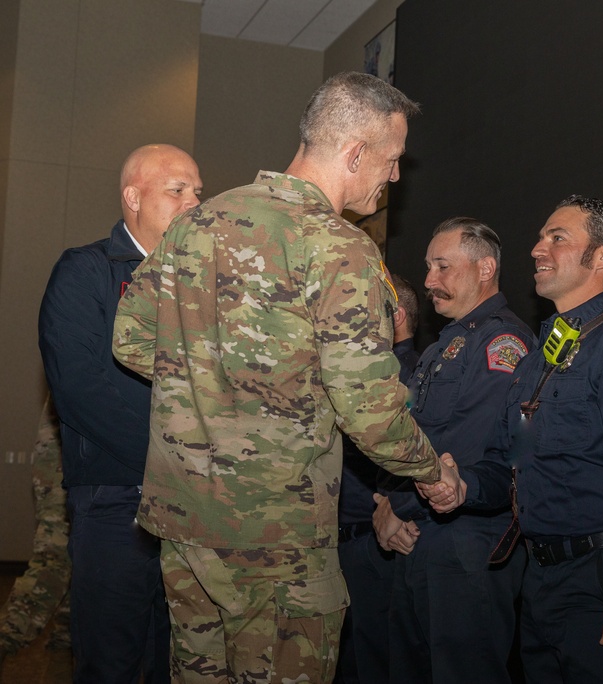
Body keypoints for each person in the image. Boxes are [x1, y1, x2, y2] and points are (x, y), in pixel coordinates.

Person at [112, 72, 461, 683]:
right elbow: (369, 411)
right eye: (393, 159)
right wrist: (432, 473)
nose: (396, 176)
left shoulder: (197, 223)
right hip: (276, 538)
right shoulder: (341, 250)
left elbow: (131, 339)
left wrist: (211, 383)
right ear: (355, 154)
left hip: (185, 523)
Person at [432, 197, 603, 683]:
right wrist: (464, 486)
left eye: (557, 238)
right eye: (540, 238)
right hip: (542, 582)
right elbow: (511, 465)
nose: (537, 248)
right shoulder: (544, 355)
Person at [38, 143, 202, 684]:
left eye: (198, 191)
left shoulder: (206, 286)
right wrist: (175, 464)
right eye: (177, 190)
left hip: (195, 511)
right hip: (118, 503)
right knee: (111, 663)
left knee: (174, 661)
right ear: (132, 197)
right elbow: (81, 390)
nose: (194, 201)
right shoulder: (86, 272)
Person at [375, 217, 535, 684]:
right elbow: (411, 435)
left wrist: (396, 507)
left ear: (485, 268)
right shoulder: (443, 347)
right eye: (428, 268)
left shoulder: (502, 342)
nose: (429, 281)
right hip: (425, 535)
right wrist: (391, 503)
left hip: (468, 543)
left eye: (443, 267)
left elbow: (465, 448)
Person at [334, 274, 420, 684]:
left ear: (396, 316)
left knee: (377, 665)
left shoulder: (401, 374)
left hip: (373, 542)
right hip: (352, 538)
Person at [0, 398, 71, 673]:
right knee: (55, 559)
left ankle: (65, 656)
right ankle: (8, 634)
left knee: (82, 573)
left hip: (79, 460)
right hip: (66, 461)